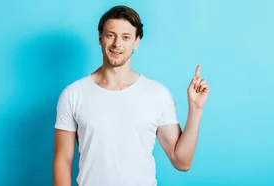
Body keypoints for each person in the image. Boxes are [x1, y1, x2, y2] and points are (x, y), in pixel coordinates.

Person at [52, 5, 209, 186]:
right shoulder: (73, 94)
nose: (117, 44)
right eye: (111, 35)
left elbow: (182, 162)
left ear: (136, 41)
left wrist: (195, 110)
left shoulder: (157, 94)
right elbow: (62, 161)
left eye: (126, 37)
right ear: (100, 38)